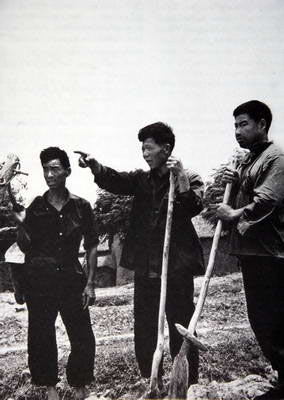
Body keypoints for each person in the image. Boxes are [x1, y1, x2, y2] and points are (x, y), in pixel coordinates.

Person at [76, 122, 204, 393]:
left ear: (166, 149)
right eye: (142, 149)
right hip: (147, 267)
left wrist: (179, 176)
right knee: (144, 326)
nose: (144, 154)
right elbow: (117, 180)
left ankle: (188, 382)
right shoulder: (142, 180)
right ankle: (151, 379)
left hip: (176, 266)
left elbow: (193, 206)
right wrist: (96, 167)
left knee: (180, 321)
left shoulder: (188, 176)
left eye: (149, 148)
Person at [12, 147, 98, 400]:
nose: (49, 174)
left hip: (72, 278)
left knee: (82, 335)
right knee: (41, 335)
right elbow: (26, 246)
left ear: (67, 172)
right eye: (45, 169)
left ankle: (80, 386)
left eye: (55, 169)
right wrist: (21, 223)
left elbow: (92, 245)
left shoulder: (81, 207)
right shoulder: (35, 207)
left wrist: (90, 283)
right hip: (40, 281)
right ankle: (50, 389)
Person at [217, 100, 284, 400]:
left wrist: (233, 214)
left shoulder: (277, 158)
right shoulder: (249, 160)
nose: (237, 131)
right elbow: (250, 190)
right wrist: (237, 180)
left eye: (243, 124)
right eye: (235, 125)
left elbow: (268, 200)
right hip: (252, 253)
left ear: (262, 125)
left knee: (276, 319)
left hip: (273, 254)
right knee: (261, 320)